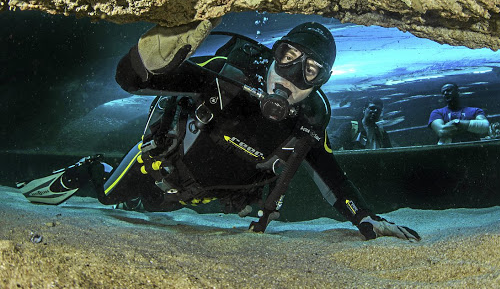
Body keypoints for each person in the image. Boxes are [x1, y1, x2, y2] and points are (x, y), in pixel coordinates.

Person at [18, 20, 420, 241]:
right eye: (289, 57)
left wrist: (363, 217)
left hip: (196, 199)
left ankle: (139, 200)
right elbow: (133, 81)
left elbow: (334, 179)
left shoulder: (306, 124)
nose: (291, 77)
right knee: (109, 196)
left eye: (310, 71)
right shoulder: (225, 77)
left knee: (152, 210)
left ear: (321, 83)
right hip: (158, 165)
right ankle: (88, 169)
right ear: (274, 53)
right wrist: (144, 58)